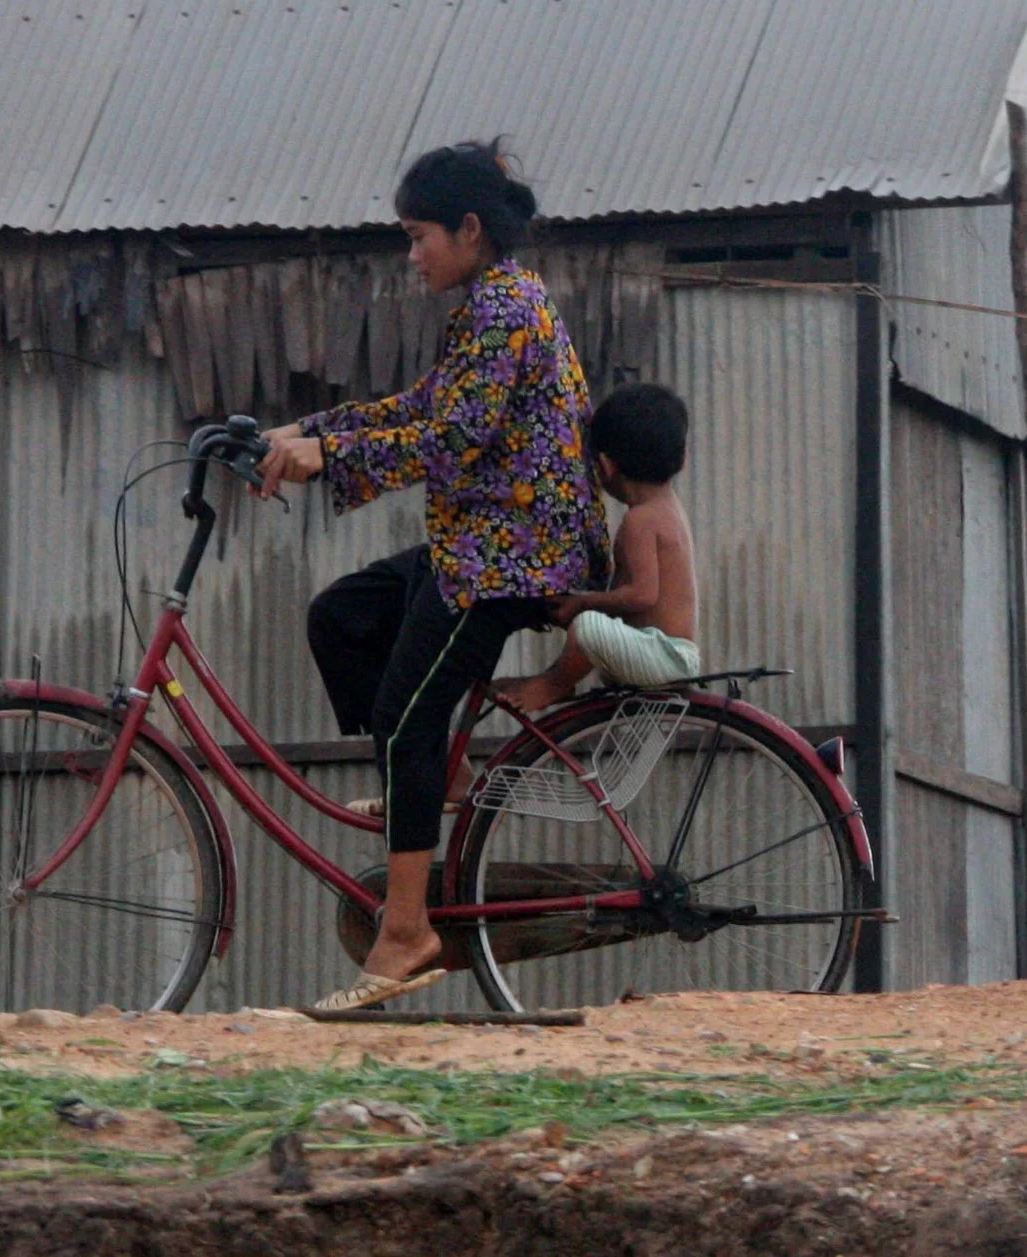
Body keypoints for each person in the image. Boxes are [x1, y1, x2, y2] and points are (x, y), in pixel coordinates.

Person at [251, 138, 610, 1012]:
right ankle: (434, 777)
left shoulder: (503, 310)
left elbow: (452, 440)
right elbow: (424, 406)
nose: (412, 255)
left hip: (517, 554)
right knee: (343, 617)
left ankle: (407, 927)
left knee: (406, 719)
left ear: (470, 229)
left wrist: (327, 455)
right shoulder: (487, 305)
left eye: (419, 237)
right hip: (478, 544)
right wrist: (304, 429)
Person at [502, 382, 700, 709]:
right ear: (682, 456)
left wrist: (582, 604)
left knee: (589, 628)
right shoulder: (667, 508)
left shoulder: (641, 520)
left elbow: (642, 594)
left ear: (605, 466)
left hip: (666, 655)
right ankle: (560, 680)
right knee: (592, 627)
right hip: (664, 653)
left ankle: (554, 685)